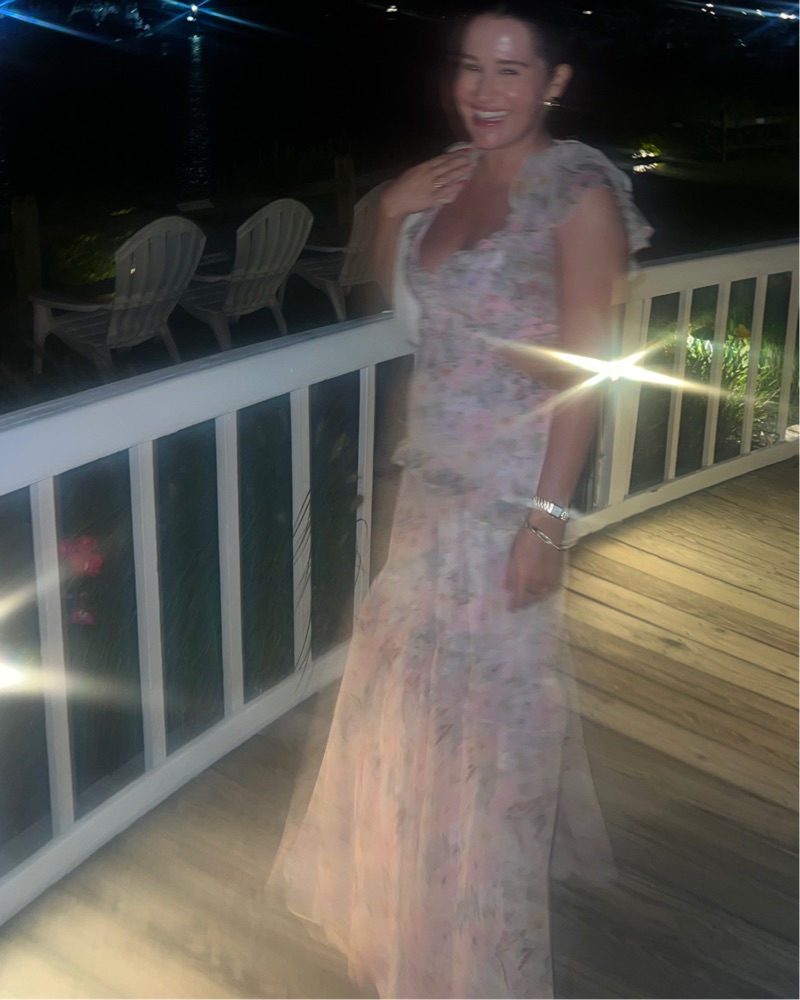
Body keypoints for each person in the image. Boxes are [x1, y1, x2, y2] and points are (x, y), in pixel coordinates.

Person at [270, 5, 652, 997]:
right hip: (428, 491)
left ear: (554, 81)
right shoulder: (448, 172)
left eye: (510, 70)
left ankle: (470, 953)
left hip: (505, 504)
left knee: (486, 736)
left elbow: (588, 372)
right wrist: (389, 212)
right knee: (408, 710)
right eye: (469, 66)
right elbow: (402, 312)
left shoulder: (574, 193)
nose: (482, 90)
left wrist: (545, 523)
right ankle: (409, 903)